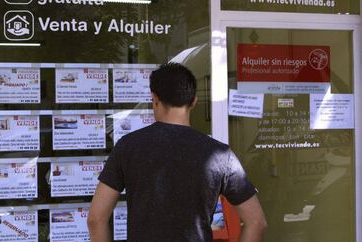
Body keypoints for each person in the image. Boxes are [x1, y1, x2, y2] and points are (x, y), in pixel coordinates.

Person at [87, 63, 267, 242]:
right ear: (194, 101)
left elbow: (96, 219)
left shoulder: (128, 146)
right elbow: (257, 222)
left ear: (154, 99)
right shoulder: (220, 154)